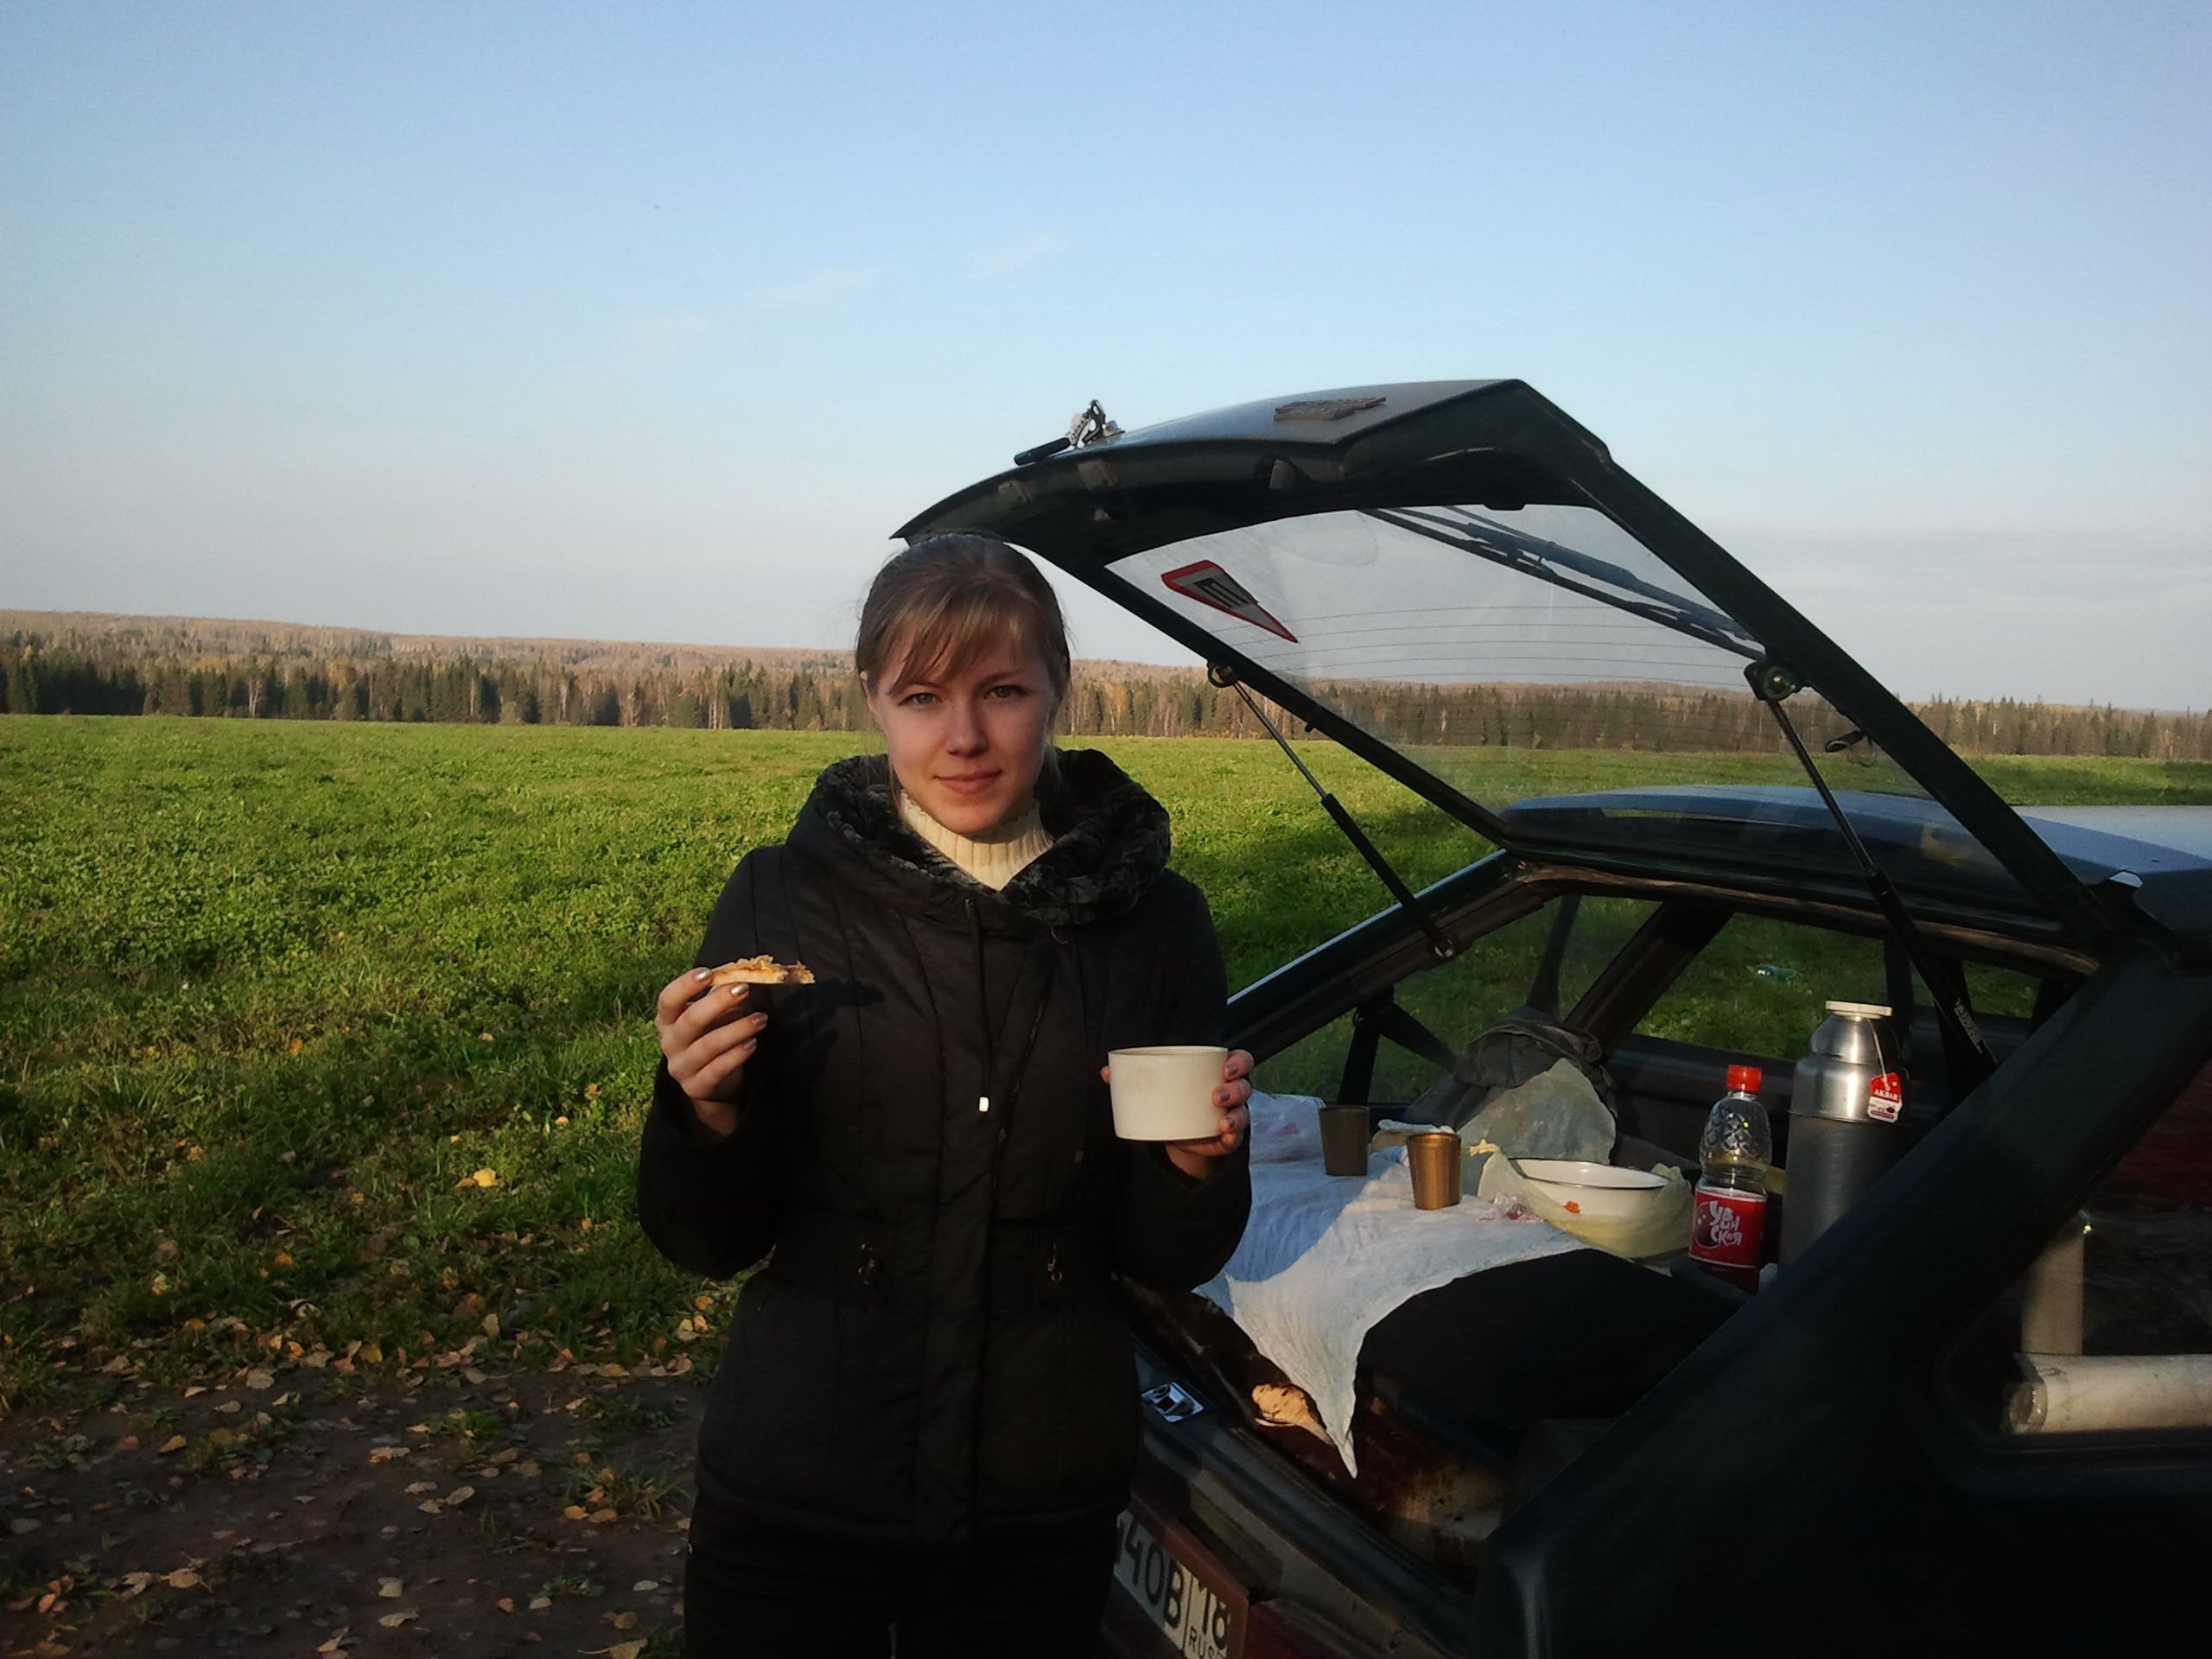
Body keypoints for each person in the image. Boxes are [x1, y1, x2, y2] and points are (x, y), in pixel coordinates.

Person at [637, 532, 1255, 1658]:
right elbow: (705, 1239)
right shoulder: (782, 899)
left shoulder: (1156, 925)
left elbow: (1169, 1257)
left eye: (1001, 691)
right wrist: (703, 1113)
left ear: (1058, 688)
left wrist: (1196, 1167)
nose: (963, 736)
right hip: (799, 1482)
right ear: (872, 700)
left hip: (1037, 1499)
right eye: (922, 697)